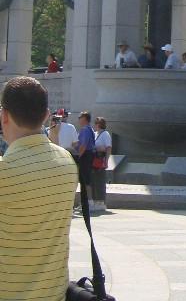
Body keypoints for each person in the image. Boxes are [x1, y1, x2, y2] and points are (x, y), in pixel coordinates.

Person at [0, 76, 78, 301]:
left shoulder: (6, 170)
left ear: (4, 115)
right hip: (53, 294)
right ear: (46, 115)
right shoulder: (67, 162)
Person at [76, 111, 97, 210]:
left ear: (84, 118)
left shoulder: (85, 130)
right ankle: (86, 202)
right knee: (84, 180)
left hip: (84, 156)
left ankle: (89, 202)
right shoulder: (90, 129)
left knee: (85, 180)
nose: (78, 119)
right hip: (88, 155)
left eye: (79, 117)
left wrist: (78, 157)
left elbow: (83, 145)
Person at [91, 116, 112, 212]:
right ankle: (95, 200)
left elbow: (108, 148)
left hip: (100, 159)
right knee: (94, 180)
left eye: (96, 123)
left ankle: (101, 201)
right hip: (94, 159)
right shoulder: (95, 134)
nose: (94, 125)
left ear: (100, 124)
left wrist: (106, 161)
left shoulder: (105, 134)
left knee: (100, 181)